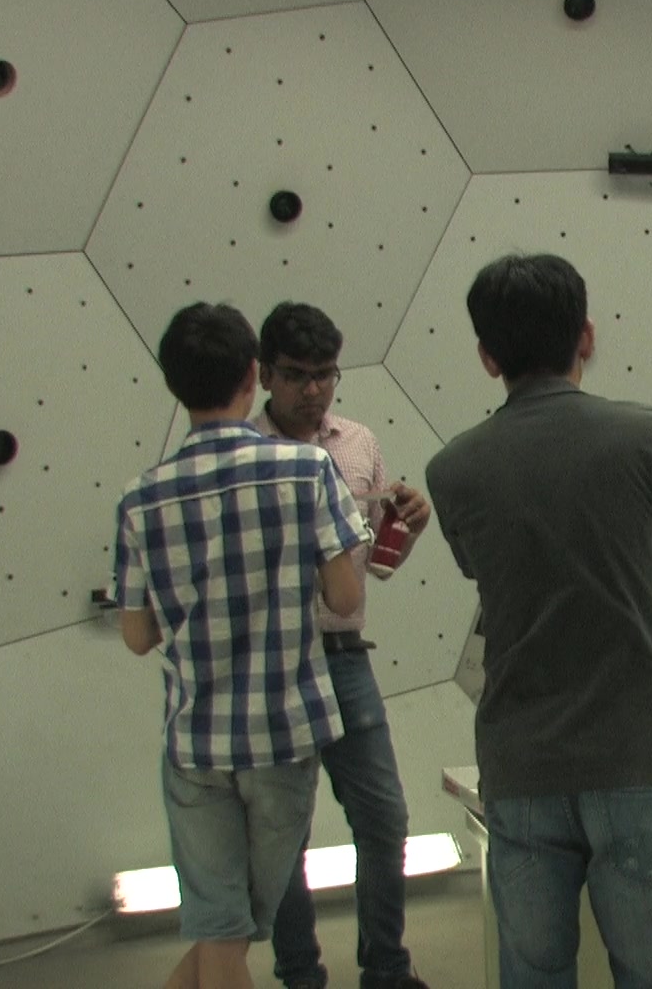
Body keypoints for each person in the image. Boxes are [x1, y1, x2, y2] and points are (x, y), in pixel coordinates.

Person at [424, 252, 652, 989]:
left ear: (487, 355)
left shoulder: (452, 470)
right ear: (586, 335)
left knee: (534, 973)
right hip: (636, 755)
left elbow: (507, 584)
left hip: (520, 760)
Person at [114, 302, 371, 989]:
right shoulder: (306, 471)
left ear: (173, 383)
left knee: (218, 926)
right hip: (283, 733)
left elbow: (137, 636)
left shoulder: (141, 500)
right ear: (254, 375)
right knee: (230, 931)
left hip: (194, 740)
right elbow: (346, 598)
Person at [253, 302, 434, 989]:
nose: (314, 390)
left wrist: (409, 526)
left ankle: (386, 968)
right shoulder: (243, 451)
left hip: (344, 653)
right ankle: (300, 974)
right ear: (264, 375)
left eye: (326, 374)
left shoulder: (357, 443)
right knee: (283, 834)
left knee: (385, 818)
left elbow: (377, 565)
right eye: (296, 375)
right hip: (271, 662)